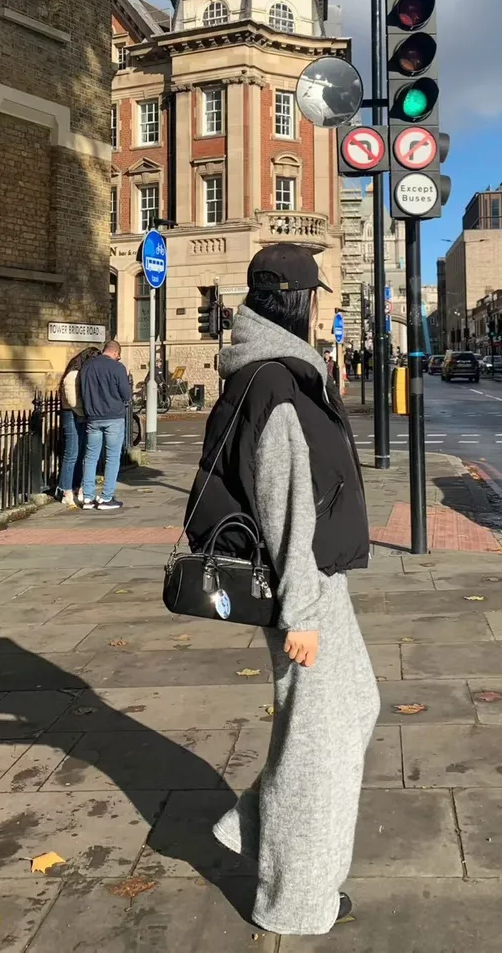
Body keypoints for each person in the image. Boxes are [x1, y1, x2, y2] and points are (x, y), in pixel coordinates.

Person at [185, 244, 379, 936]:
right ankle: (293, 899)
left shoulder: (284, 373)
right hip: (307, 588)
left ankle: (257, 829)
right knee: (316, 745)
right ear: (296, 301)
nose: (323, 307)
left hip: (321, 579)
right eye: (316, 296)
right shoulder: (275, 383)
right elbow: (286, 505)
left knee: (355, 707)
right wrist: (301, 614)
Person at [80, 340, 131, 512]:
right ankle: (106, 497)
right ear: (116, 352)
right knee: (112, 458)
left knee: (90, 457)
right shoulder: (117, 367)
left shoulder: (87, 366)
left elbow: (83, 391)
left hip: (93, 417)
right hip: (113, 417)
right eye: (118, 356)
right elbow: (126, 394)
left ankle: (87, 497)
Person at [57, 347, 100, 507]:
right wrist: (88, 410)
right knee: (72, 453)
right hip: (71, 415)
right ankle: (65, 490)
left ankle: (76, 486)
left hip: (81, 415)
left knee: (81, 453)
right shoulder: (73, 375)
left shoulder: (83, 374)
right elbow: (73, 401)